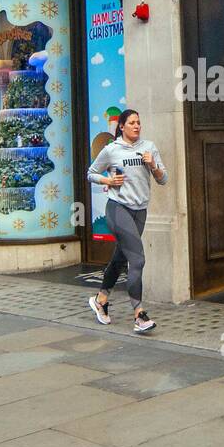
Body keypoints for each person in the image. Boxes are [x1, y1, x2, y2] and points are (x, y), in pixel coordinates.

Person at [86, 109, 167, 333]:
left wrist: (153, 166)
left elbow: (163, 179)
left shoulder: (148, 148)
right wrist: (109, 180)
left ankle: (100, 300)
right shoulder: (111, 150)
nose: (136, 126)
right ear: (121, 126)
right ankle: (139, 315)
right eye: (131, 122)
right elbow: (91, 173)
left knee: (121, 257)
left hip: (140, 211)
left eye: (139, 122)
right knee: (137, 259)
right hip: (117, 208)